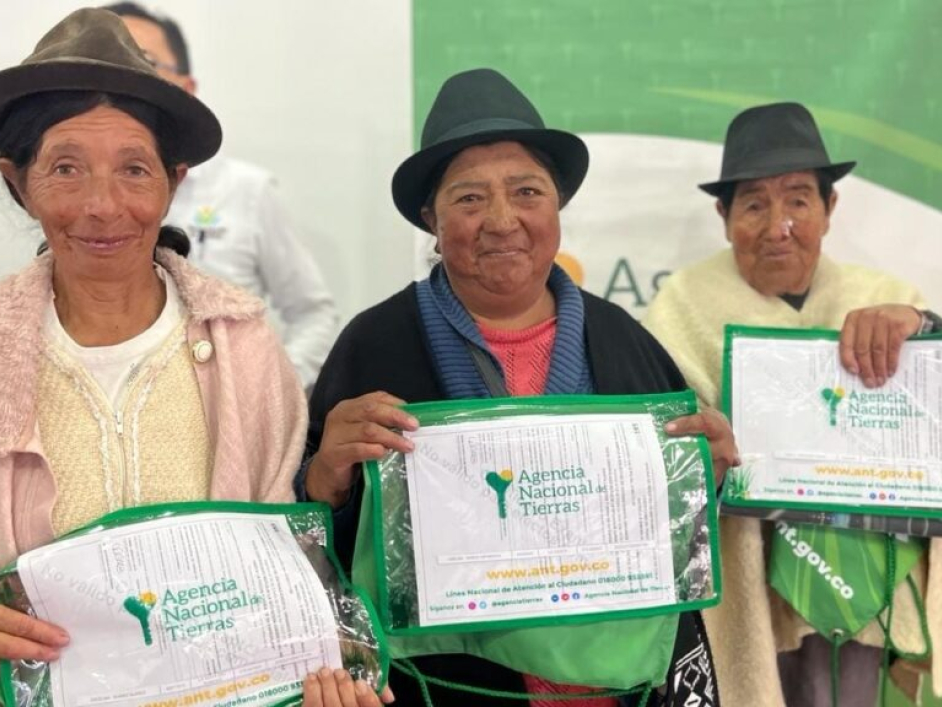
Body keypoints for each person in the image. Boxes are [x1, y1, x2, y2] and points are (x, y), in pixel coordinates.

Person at [301, 68, 739, 707]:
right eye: (470, 199)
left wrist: (711, 474)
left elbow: (675, 535)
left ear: (557, 204)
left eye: (527, 191)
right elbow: (314, 536)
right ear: (431, 216)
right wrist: (325, 479)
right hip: (453, 685)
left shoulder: (624, 341)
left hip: (620, 687)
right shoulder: (375, 346)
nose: (502, 220)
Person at [0, 8, 306, 662]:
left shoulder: (243, 348)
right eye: (65, 168)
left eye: (134, 169)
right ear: (17, 182)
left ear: (174, 182)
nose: (102, 206)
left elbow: (283, 554)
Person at [643, 102, 941, 707]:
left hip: (870, 580)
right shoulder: (680, 307)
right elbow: (659, 443)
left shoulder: (887, 297)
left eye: (799, 200)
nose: (778, 224)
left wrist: (926, 326)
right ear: (724, 217)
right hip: (744, 581)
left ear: (830, 210)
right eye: (754, 203)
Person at [100, 2, 338, 391]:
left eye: (144, 64)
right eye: (109, 70)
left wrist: (266, 396)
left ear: (187, 90)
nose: (127, 86)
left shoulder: (245, 190)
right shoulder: (79, 201)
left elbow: (313, 313)